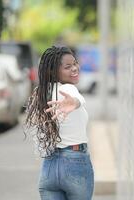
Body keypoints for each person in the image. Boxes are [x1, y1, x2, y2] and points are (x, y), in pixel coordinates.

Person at [25, 46, 94, 200]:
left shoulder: (41, 93)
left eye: (75, 63)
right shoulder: (68, 89)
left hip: (49, 167)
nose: (75, 68)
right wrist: (75, 103)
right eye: (67, 67)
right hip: (75, 163)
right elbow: (78, 98)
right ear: (52, 72)